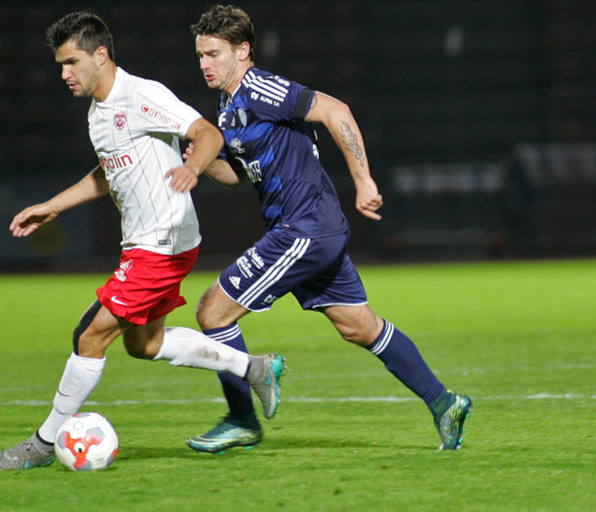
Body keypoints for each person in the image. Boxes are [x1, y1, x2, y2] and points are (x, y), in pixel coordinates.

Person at [0, 10, 285, 470]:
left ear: (100, 55)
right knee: (143, 345)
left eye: (71, 63)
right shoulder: (97, 114)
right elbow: (109, 173)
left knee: (89, 335)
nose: (64, 74)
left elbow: (207, 132)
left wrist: (192, 167)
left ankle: (43, 444)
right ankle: (255, 368)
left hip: (161, 244)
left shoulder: (141, 94)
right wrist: (53, 206)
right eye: (60, 65)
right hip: (151, 243)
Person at [184, 5, 471, 453]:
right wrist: (202, 165)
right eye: (200, 54)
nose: (205, 63)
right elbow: (239, 175)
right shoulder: (228, 105)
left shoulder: (261, 87)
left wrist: (363, 180)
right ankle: (445, 403)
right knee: (360, 327)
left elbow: (337, 111)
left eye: (214, 53)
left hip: (304, 229)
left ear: (243, 51)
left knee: (212, 312)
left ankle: (243, 419)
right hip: (311, 229)